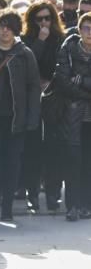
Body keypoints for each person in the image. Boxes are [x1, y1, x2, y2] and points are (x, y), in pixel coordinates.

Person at [0, 8, 41, 223]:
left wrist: (32, 118)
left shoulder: (24, 53)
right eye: (1, 26)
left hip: (16, 119)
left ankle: (7, 209)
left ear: (15, 30)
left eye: (9, 27)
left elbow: (33, 87)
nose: (4, 31)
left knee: (11, 164)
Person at [21, 0, 65, 212]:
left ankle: (53, 193)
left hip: (55, 99)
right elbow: (28, 65)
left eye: (48, 18)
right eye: (40, 19)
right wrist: (39, 41)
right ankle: (32, 193)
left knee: (54, 149)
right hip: (32, 100)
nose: (44, 23)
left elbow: (64, 67)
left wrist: (51, 82)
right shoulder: (26, 40)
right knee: (33, 149)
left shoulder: (61, 39)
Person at [54, 12, 91, 221]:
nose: (90, 33)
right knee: (73, 161)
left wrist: (82, 81)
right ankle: (72, 206)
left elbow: (76, 82)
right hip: (72, 114)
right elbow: (63, 81)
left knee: (89, 162)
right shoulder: (68, 48)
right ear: (79, 30)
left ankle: (87, 204)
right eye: (86, 28)